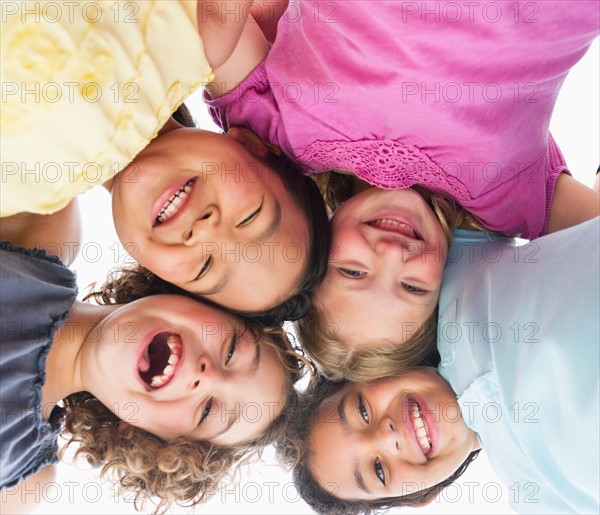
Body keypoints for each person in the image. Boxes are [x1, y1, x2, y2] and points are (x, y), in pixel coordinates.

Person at [277, 217, 600, 514]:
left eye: (362, 410)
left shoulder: (443, 279)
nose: (387, 437)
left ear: (371, 370)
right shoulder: (542, 498)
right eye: (378, 470)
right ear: (423, 497)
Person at [0, 207, 305, 511]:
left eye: (209, 410)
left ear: (155, 441)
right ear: (203, 295)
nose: (208, 375)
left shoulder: (22, 478)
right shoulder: (43, 227)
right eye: (231, 350)